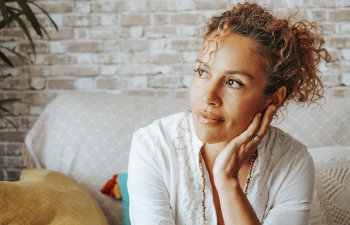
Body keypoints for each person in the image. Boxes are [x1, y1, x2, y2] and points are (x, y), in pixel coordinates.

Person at [127, 2, 332, 225]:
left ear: (274, 99)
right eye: (202, 72)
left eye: (233, 82)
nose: (208, 97)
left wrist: (227, 180)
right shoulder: (153, 146)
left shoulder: (292, 163)